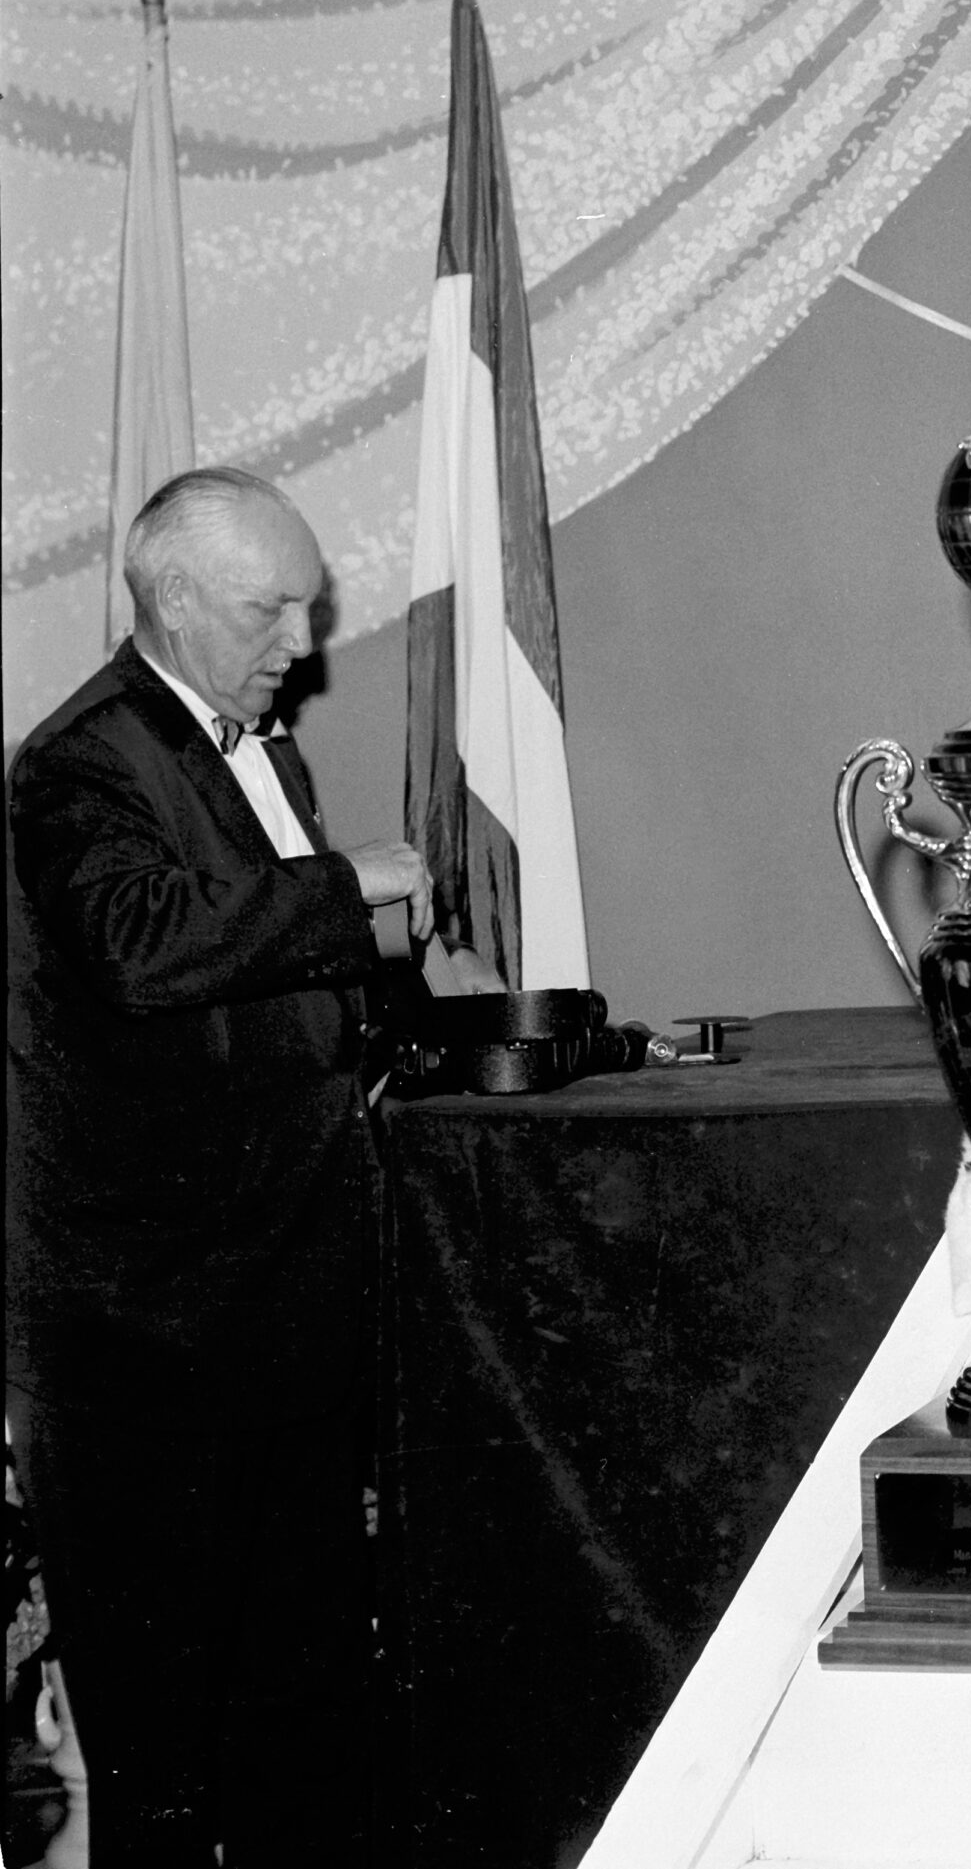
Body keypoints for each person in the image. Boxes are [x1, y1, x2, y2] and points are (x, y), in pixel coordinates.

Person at [6, 467, 434, 1862]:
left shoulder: (258, 747)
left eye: (305, 605)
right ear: (174, 600)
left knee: (303, 1728)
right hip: (148, 1356)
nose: (301, 642)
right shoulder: (76, 763)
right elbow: (139, 943)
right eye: (271, 608)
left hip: (276, 1325)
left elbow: (264, 1001)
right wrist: (342, 886)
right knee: (170, 1756)